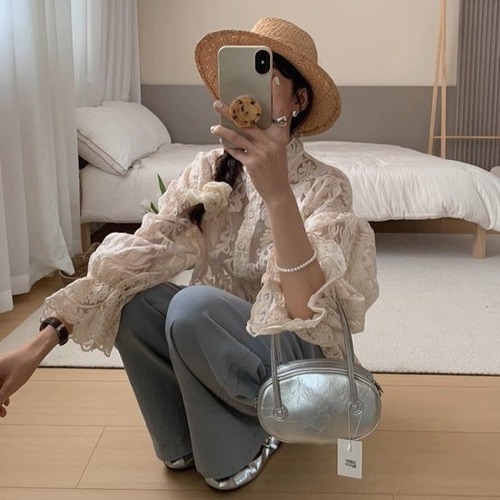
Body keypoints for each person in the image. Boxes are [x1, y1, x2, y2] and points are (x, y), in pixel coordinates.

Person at [0, 18, 378, 490]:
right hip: (217, 343)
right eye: (241, 77)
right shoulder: (207, 170)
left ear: (298, 99)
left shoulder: (326, 186)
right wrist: (36, 347)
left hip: (291, 359)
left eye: (267, 75)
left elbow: (305, 311)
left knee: (192, 306)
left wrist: (279, 194)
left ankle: (249, 440)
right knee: (136, 301)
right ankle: (180, 439)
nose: (248, 92)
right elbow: (141, 254)